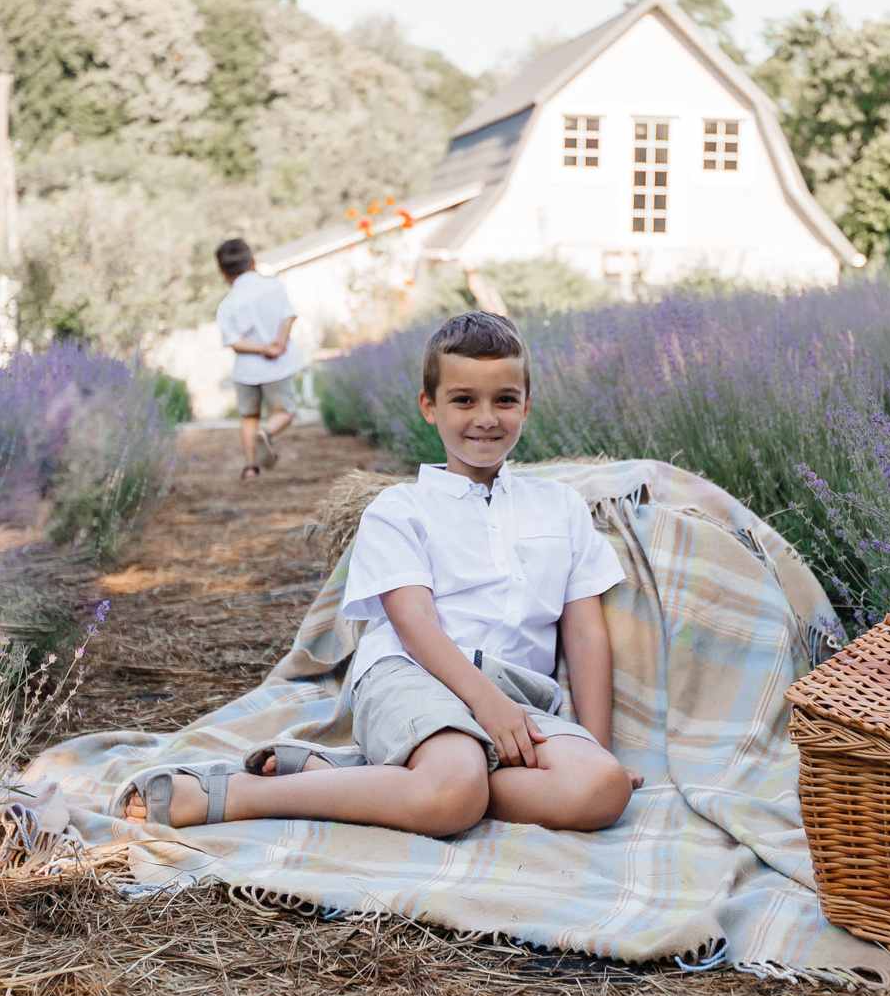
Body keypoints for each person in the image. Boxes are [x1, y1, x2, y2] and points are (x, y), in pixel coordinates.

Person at [116, 311, 640, 836]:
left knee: (602, 788)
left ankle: (361, 779)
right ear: (429, 407)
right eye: (463, 400)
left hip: (517, 693)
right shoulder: (400, 509)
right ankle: (241, 793)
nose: (486, 417)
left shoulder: (561, 506)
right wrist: (486, 704)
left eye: (504, 399)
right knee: (453, 789)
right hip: (413, 673)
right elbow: (414, 624)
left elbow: (585, 632)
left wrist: (598, 747)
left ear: (526, 405)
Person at [214, 238, 308, 480]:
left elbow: (234, 342)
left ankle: (250, 468)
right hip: (277, 366)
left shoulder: (227, 304)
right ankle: (266, 433)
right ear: (253, 261)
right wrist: (279, 344)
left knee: (249, 416)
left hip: (246, 370)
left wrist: (261, 348)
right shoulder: (274, 287)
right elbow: (288, 317)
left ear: (223, 273)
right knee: (284, 412)